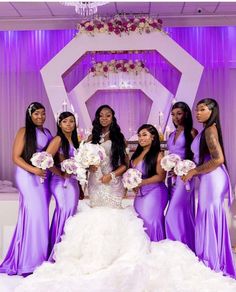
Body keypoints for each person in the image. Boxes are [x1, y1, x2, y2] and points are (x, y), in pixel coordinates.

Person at [15, 106, 236, 292]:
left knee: (114, 215)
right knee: (96, 218)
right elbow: (78, 160)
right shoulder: (89, 138)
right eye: (101, 115)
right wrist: (87, 167)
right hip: (94, 180)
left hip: (112, 181)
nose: (104, 118)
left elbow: (124, 164)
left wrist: (111, 175)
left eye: (108, 115)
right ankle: (91, 256)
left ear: (113, 118)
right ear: (96, 118)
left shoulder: (120, 138)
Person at [182, 98, 236, 278]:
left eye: (202, 109)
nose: (197, 113)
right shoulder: (206, 130)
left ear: (212, 111)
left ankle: (212, 262)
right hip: (209, 178)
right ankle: (212, 258)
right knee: (207, 215)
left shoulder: (210, 131)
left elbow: (218, 159)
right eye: (197, 109)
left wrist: (194, 171)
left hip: (213, 179)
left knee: (209, 215)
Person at [0, 102, 52, 276]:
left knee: (41, 216)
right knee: (35, 214)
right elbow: (15, 157)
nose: (40, 117)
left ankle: (39, 258)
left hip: (43, 177)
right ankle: (29, 262)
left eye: (43, 114)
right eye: (37, 114)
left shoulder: (47, 132)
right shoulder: (24, 131)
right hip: (27, 176)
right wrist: (34, 170)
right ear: (30, 115)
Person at [46, 111, 80, 260]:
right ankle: (56, 253)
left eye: (71, 121)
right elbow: (45, 161)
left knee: (70, 213)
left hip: (73, 181)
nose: (68, 124)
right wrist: (60, 173)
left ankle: (66, 251)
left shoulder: (74, 140)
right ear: (59, 124)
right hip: (60, 182)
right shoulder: (58, 139)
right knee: (64, 211)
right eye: (65, 121)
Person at [165, 102, 198, 251]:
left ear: (185, 114)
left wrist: (186, 169)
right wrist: (170, 167)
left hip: (185, 178)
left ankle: (177, 249)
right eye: (173, 114)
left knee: (173, 213)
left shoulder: (192, 132)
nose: (175, 117)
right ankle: (185, 245)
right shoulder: (171, 134)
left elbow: (196, 157)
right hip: (172, 178)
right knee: (179, 213)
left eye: (179, 113)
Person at [131, 124, 168, 241]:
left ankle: (156, 248)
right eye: (139, 135)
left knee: (151, 221)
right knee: (140, 221)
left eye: (144, 135)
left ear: (153, 137)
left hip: (155, 192)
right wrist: (132, 184)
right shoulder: (136, 154)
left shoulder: (158, 154)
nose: (141, 138)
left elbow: (161, 176)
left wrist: (141, 182)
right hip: (140, 194)